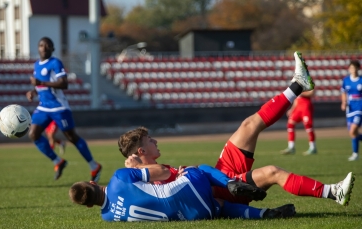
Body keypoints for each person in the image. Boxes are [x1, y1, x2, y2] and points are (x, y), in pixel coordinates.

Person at [119, 52, 355, 207]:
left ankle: (298, 84)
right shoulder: (143, 179)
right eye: (150, 140)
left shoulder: (146, 171)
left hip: (218, 175)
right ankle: (333, 192)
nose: (155, 141)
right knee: (273, 172)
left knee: (249, 124)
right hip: (222, 191)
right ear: (140, 152)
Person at [69, 164, 296, 222]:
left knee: (221, 207)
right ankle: (230, 183)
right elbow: (162, 171)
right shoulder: (118, 177)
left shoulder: (108, 218)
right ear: (93, 182)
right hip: (184, 192)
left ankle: (264, 214)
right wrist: (179, 172)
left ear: (89, 206)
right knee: (199, 169)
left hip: (190, 215)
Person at [26, 37, 102, 181]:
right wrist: (33, 92)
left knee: (71, 137)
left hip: (59, 107)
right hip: (43, 107)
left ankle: (94, 166)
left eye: (48, 45)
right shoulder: (37, 65)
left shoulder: (55, 63)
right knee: (33, 134)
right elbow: (40, 85)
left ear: (52, 49)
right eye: (41, 45)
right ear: (38, 48)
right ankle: (58, 161)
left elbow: (63, 83)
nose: (44, 47)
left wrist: (40, 82)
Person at [280, 89, 317, 155]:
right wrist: (291, 109)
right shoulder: (298, 84)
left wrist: (301, 93)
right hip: (298, 106)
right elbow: (296, 99)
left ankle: (313, 147)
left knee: (308, 126)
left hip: (306, 106)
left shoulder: (309, 82)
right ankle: (291, 147)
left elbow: (312, 93)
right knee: (290, 124)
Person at [340, 59, 362, 161]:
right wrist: (344, 102)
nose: (353, 70)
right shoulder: (346, 80)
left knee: (353, 130)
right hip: (350, 109)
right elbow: (343, 92)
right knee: (352, 133)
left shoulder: (361, 80)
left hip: (359, 108)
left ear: (358, 68)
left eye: (355, 68)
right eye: (351, 68)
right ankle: (356, 154)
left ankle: (355, 154)